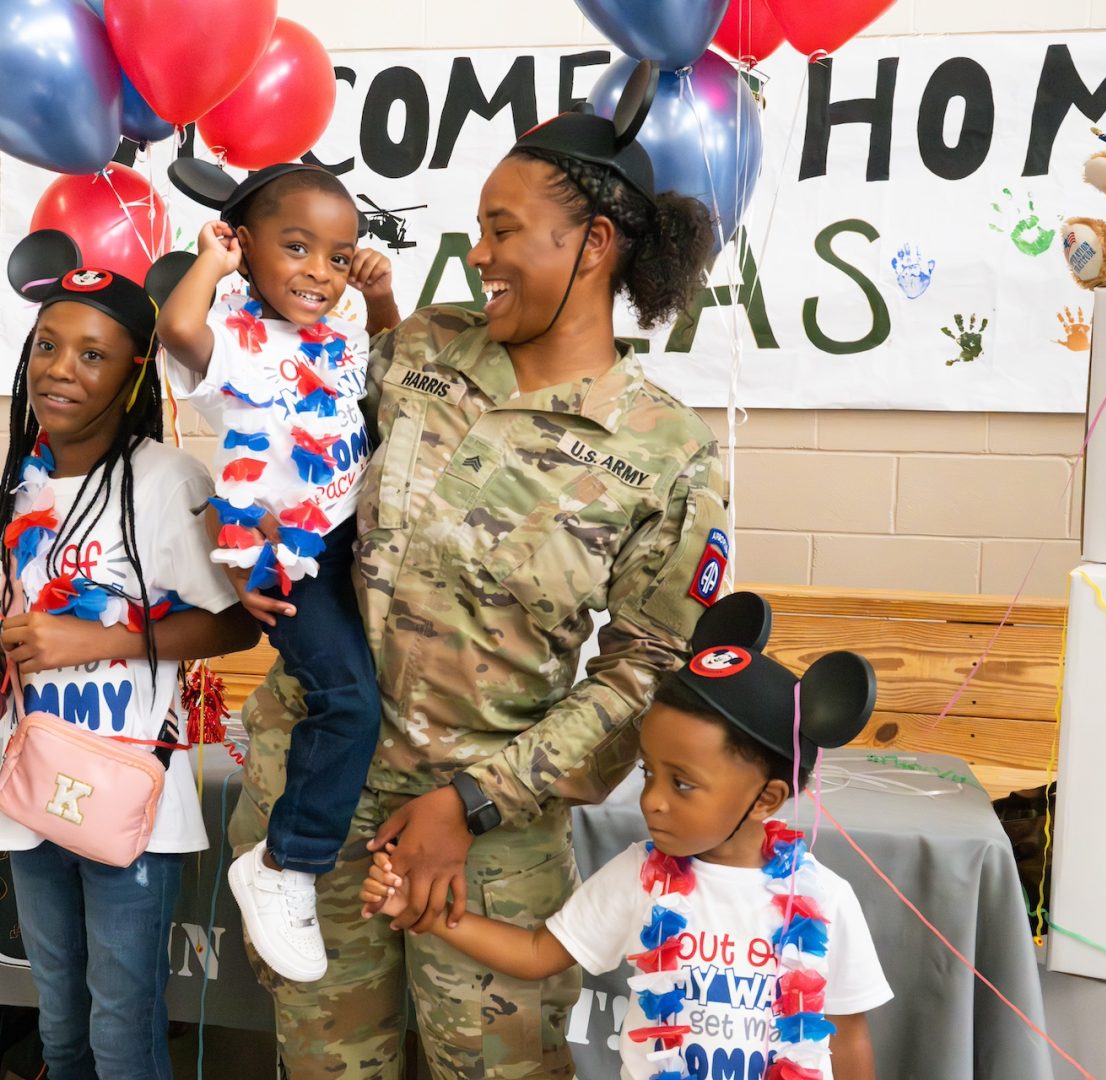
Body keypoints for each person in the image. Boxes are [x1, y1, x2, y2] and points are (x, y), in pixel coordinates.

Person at [227, 62, 730, 1077]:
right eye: (479, 228)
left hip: (488, 842)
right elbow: (294, 449)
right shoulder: (416, 349)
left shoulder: (663, 447)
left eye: (503, 228)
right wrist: (254, 550)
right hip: (315, 810)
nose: (479, 251)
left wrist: (476, 802)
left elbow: (648, 665)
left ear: (592, 244)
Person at [0, 241, 258, 1080]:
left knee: (121, 1032)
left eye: (93, 354)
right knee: (59, 1022)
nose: (60, 370)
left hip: (131, 803)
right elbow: (12, 643)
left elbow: (237, 626)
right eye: (46, 345)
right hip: (35, 796)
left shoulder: (166, 481)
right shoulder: (21, 486)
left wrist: (97, 639)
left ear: (136, 374)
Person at [362, 592, 893, 1080]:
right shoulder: (643, 876)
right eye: (648, 773)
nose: (652, 800)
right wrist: (426, 913)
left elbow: (847, 1038)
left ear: (767, 799)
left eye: (682, 783)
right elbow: (536, 952)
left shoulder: (825, 901)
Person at [157, 163, 401, 982]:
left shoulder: (339, 335)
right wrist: (209, 261)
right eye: (296, 248)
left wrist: (379, 297)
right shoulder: (233, 338)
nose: (320, 272)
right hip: (286, 552)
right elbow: (179, 332)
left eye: (338, 256)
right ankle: (283, 866)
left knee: (376, 692)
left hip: (352, 537)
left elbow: (389, 385)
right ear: (245, 244)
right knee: (349, 703)